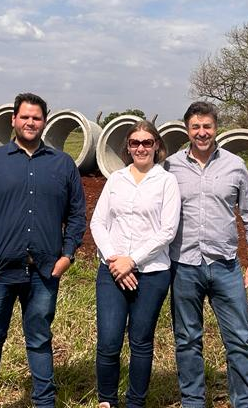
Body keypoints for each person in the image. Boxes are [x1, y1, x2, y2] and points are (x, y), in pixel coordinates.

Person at [0, 92, 86, 408]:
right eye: (24, 117)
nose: (30, 122)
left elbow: (77, 214)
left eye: (36, 118)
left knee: (40, 340)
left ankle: (44, 402)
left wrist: (67, 255)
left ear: (44, 122)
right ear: (13, 120)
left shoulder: (62, 164)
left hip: (43, 271)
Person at [167, 101, 248, 408]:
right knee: (187, 340)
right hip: (183, 266)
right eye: (195, 127)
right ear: (187, 130)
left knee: (238, 338)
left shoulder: (234, 165)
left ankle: (245, 401)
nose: (201, 132)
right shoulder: (170, 166)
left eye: (207, 126)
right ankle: (193, 400)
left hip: (225, 266)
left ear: (215, 128)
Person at [89, 120, 180, 408]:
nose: (141, 148)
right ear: (128, 148)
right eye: (135, 143)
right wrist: (116, 261)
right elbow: (98, 222)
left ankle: (135, 402)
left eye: (147, 142)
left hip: (151, 273)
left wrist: (133, 260)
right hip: (111, 271)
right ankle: (107, 400)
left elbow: (168, 230)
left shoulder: (167, 181)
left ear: (157, 147)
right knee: (108, 341)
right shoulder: (116, 179)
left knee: (141, 341)